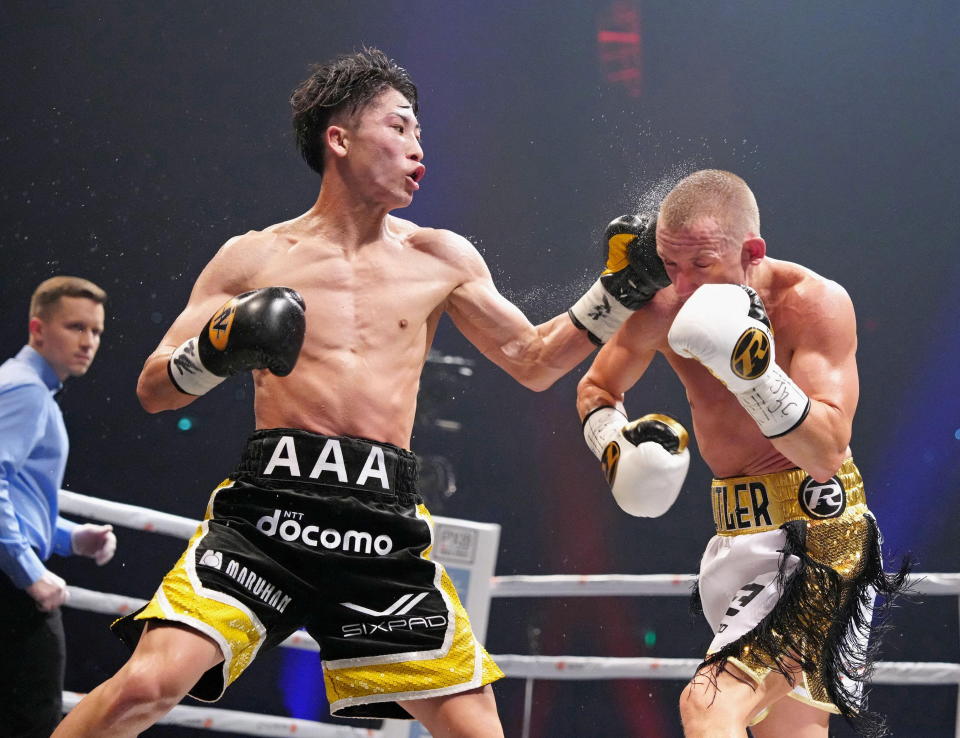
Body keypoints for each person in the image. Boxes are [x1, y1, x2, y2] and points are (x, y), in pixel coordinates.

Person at [53, 48, 666, 738]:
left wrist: (618, 292)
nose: (417, 146)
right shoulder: (253, 257)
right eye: (399, 128)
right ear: (338, 139)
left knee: (478, 732)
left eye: (420, 133)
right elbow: (153, 389)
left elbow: (533, 361)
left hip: (383, 527)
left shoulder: (442, 256)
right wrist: (217, 348)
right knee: (145, 685)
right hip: (267, 518)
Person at [576, 169, 908, 738]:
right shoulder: (663, 307)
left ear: (751, 251)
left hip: (820, 534)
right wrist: (616, 447)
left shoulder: (812, 303)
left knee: (708, 707)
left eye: (699, 265)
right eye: (670, 264)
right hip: (733, 535)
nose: (681, 285)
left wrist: (752, 371)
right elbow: (596, 389)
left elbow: (826, 449)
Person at [0, 276, 117, 737]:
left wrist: (71, 537)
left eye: (96, 331)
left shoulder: (24, 386)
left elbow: (21, 496)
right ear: (37, 329)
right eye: (76, 327)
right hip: (10, 589)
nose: (88, 342)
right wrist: (30, 572)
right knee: (32, 722)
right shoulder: (25, 391)